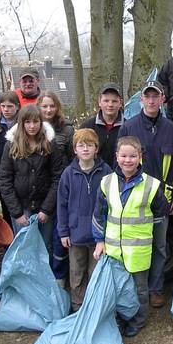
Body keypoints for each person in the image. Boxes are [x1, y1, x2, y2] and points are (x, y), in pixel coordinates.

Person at [92, 136, 168, 337]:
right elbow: (99, 214)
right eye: (124, 156)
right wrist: (99, 241)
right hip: (114, 249)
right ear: (116, 157)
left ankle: (138, 320)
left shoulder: (151, 185)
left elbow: (161, 212)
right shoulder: (106, 183)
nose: (128, 160)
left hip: (138, 250)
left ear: (140, 157)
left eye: (133, 156)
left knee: (139, 289)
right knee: (117, 288)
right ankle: (118, 320)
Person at [118, 80, 173, 308]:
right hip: (135, 201)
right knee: (135, 247)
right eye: (148, 96)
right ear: (141, 99)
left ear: (162, 99)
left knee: (159, 247)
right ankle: (135, 290)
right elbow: (120, 164)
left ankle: (155, 290)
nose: (152, 100)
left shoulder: (170, 129)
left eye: (156, 96)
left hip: (160, 201)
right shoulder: (129, 127)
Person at [57, 128, 112, 311]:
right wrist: (63, 231)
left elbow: (111, 203)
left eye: (90, 145)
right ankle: (78, 306)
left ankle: (95, 306)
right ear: (75, 149)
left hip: (99, 237)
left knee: (96, 272)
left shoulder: (106, 172)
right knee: (76, 272)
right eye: (81, 145)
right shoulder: (68, 174)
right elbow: (62, 205)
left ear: (96, 149)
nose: (86, 149)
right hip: (76, 234)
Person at [0, 105, 64, 257]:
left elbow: (57, 177)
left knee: (45, 247)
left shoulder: (49, 144)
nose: (32, 126)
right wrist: (17, 213)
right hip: (22, 206)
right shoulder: (11, 145)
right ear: (21, 123)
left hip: (44, 205)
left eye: (36, 122)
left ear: (41, 123)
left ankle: (44, 279)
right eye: (28, 122)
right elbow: (5, 180)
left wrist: (46, 209)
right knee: (24, 248)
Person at [37, 90, 75, 285]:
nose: (49, 109)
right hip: (39, 191)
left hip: (62, 189)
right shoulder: (33, 127)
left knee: (58, 234)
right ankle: (44, 276)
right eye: (44, 106)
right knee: (42, 239)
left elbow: (73, 158)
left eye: (52, 105)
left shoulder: (66, 130)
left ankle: (59, 275)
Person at [0, 91, 21, 227]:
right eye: (3, 106)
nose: (6, 110)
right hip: (1, 175)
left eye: (10, 106)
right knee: (7, 209)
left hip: (20, 174)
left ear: (17, 107)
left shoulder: (24, 124)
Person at [80, 83, 124, 168]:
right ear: (99, 102)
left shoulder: (128, 127)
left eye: (114, 101)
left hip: (120, 177)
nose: (110, 104)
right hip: (93, 176)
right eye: (106, 101)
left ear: (120, 103)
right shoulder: (87, 127)